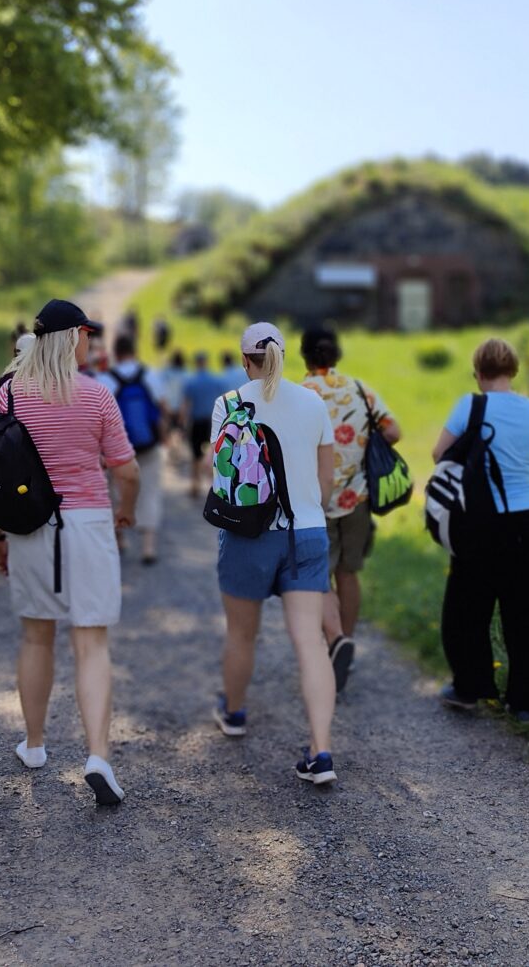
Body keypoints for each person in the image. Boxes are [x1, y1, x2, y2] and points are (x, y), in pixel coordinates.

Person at [0, 298, 140, 807]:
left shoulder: (11, 394)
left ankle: (34, 744)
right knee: (91, 641)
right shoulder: (95, 395)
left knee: (36, 637)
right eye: (86, 333)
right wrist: (126, 511)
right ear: (73, 337)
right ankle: (98, 756)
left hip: (31, 527)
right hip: (88, 522)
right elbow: (126, 470)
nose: (90, 341)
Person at [207, 322, 340, 786]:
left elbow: (221, 474)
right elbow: (327, 478)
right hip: (307, 533)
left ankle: (234, 712)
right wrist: (309, 510)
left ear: (245, 360)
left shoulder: (228, 403)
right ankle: (321, 751)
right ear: (284, 355)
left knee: (242, 635)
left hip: (249, 534)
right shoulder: (313, 401)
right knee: (310, 643)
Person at [432, 337, 529, 724]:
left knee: (467, 606)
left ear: (478, 372)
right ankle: (526, 704)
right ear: (514, 371)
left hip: (478, 518)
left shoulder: (470, 406)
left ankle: (469, 687)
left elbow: (440, 454)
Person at [298, 327, 402, 694]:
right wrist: (361, 444)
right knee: (349, 572)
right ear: (337, 354)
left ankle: (334, 640)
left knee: (318, 577)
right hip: (357, 498)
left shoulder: (300, 394)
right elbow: (393, 431)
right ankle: (348, 645)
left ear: (305, 355)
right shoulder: (360, 390)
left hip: (315, 498)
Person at [102, 332, 166, 565]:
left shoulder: (106, 379)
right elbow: (163, 407)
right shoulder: (149, 375)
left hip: (118, 448)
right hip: (148, 444)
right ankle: (148, 546)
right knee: (149, 491)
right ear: (134, 351)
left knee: (115, 490)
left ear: (116, 354)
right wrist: (163, 436)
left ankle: (119, 538)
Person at [183, 351, 228, 492]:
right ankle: (215, 484)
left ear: (196, 363)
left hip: (196, 422)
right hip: (212, 421)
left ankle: (195, 483)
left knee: (196, 454)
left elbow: (186, 404)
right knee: (214, 451)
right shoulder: (216, 381)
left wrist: (183, 423)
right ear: (206, 362)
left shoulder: (191, 382)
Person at [151, 349, 188, 458]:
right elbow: (186, 394)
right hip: (180, 408)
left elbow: (159, 389)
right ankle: (178, 452)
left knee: (168, 431)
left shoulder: (165, 373)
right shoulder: (185, 374)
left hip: (167, 406)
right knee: (179, 431)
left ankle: (170, 452)